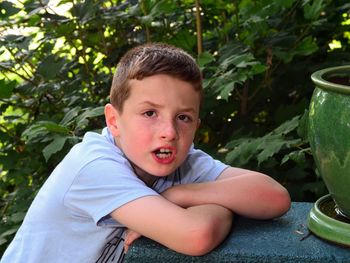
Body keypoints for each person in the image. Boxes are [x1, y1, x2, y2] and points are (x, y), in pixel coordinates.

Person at [1, 43, 290, 263]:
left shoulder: (181, 160)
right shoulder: (92, 166)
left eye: (183, 118)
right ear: (114, 121)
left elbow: (274, 198)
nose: (169, 131)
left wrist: (180, 195)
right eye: (150, 113)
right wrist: (221, 203)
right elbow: (196, 235)